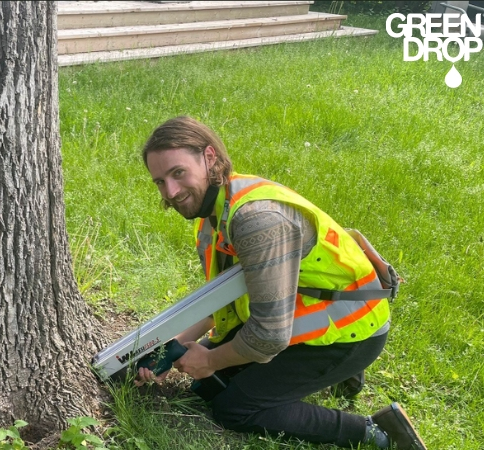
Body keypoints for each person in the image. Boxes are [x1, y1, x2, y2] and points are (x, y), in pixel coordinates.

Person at [135, 116, 426, 450]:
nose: (170, 192)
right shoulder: (214, 213)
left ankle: (376, 432)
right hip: (295, 320)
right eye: (159, 182)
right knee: (206, 388)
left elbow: (268, 337)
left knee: (234, 407)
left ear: (209, 158)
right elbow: (221, 303)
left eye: (177, 173)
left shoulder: (256, 221)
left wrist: (211, 360)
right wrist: (166, 351)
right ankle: (340, 379)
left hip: (351, 330)